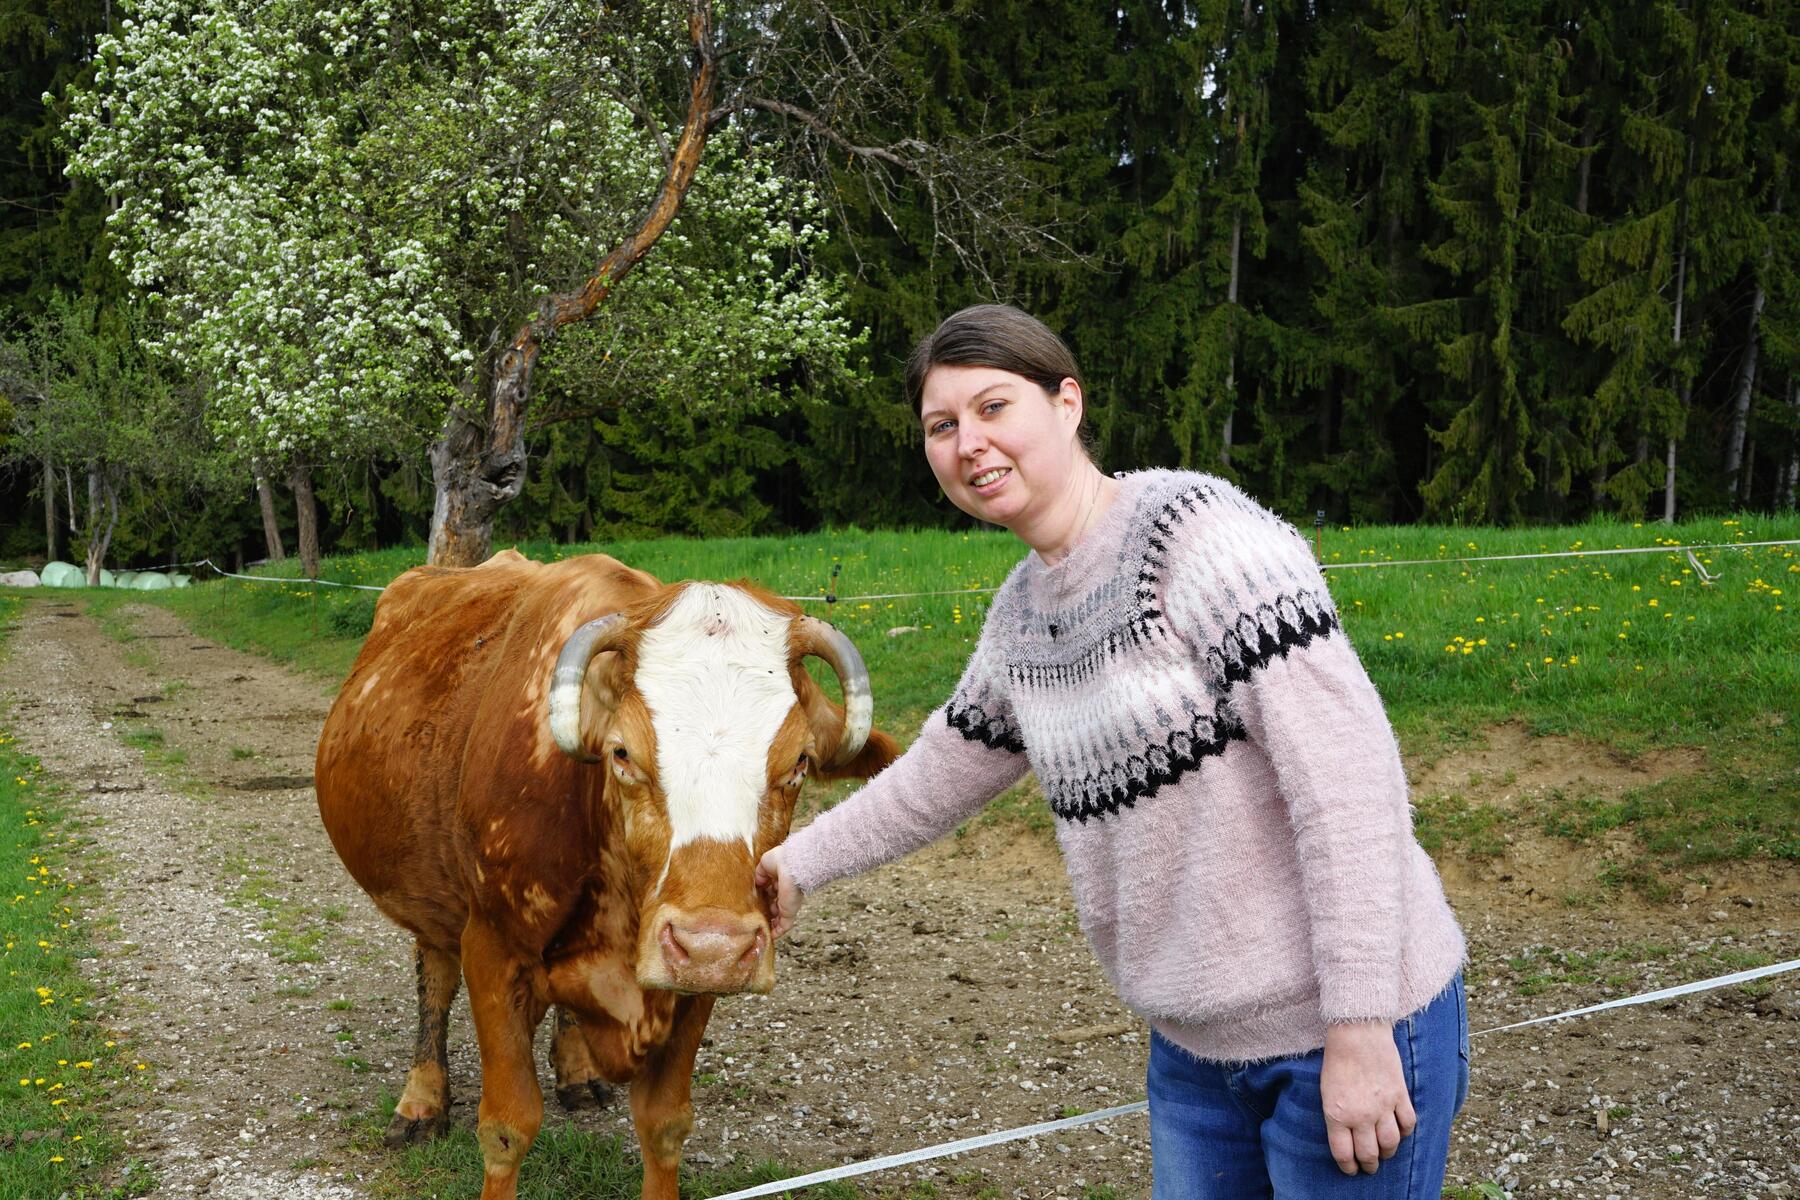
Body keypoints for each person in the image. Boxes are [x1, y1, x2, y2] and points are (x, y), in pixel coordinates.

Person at [756, 304, 1468, 1198]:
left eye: (993, 407)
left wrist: (1360, 1025)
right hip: (1194, 1055)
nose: (970, 443)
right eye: (942, 426)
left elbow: (1348, 782)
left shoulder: (1198, 539)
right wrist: (798, 864)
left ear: (1068, 403)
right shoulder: (1024, 615)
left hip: (1343, 1031)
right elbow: (939, 774)